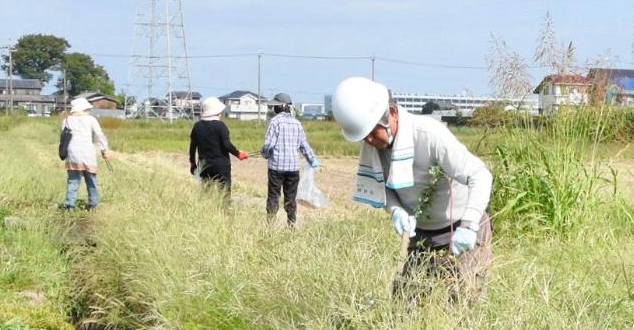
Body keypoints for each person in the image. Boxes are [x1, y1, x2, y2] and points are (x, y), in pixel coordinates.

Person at [332, 76, 494, 294]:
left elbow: (480, 175)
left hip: (461, 228)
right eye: (364, 137)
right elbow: (384, 187)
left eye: (372, 132)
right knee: (407, 301)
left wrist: (469, 225)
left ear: (390, 115)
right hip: (422, 233)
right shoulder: (373, 148)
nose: (369, 141)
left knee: (464, 298)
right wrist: (396, 210)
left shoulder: (429, 135)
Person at [261, 93, 319, 226]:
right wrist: (312, 160)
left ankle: (270, 224)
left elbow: (269, 144)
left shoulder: (275, 122)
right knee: (290, 197)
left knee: (274, 196)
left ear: (282, 106)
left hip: (276, 167)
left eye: (275, 106)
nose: (273, 109)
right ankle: (291, 223)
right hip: (293, 169)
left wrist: (264, 153)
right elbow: (304, 145)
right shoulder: (297, 123)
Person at [188, 96, 248, 199]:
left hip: (204, 165)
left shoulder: (197, 126)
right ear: (216, 112)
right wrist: (238, 154)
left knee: (206, 193)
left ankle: (207, 211)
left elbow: (192, 148)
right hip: (221, 165)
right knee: (224, 192)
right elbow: (227, 145)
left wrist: (193, 163)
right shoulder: (221, 126)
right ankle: (224, 211)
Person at [59, 96, 109, 210]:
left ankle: (70, 205)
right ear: (84, 108)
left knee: (73, 180)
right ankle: (93, 204)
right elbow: (99, 134)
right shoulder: (91, 119)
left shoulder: (66, 120)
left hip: (72, 152)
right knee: (91, 179)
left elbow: (63, 137)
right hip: (87, 152)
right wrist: (104, 148)